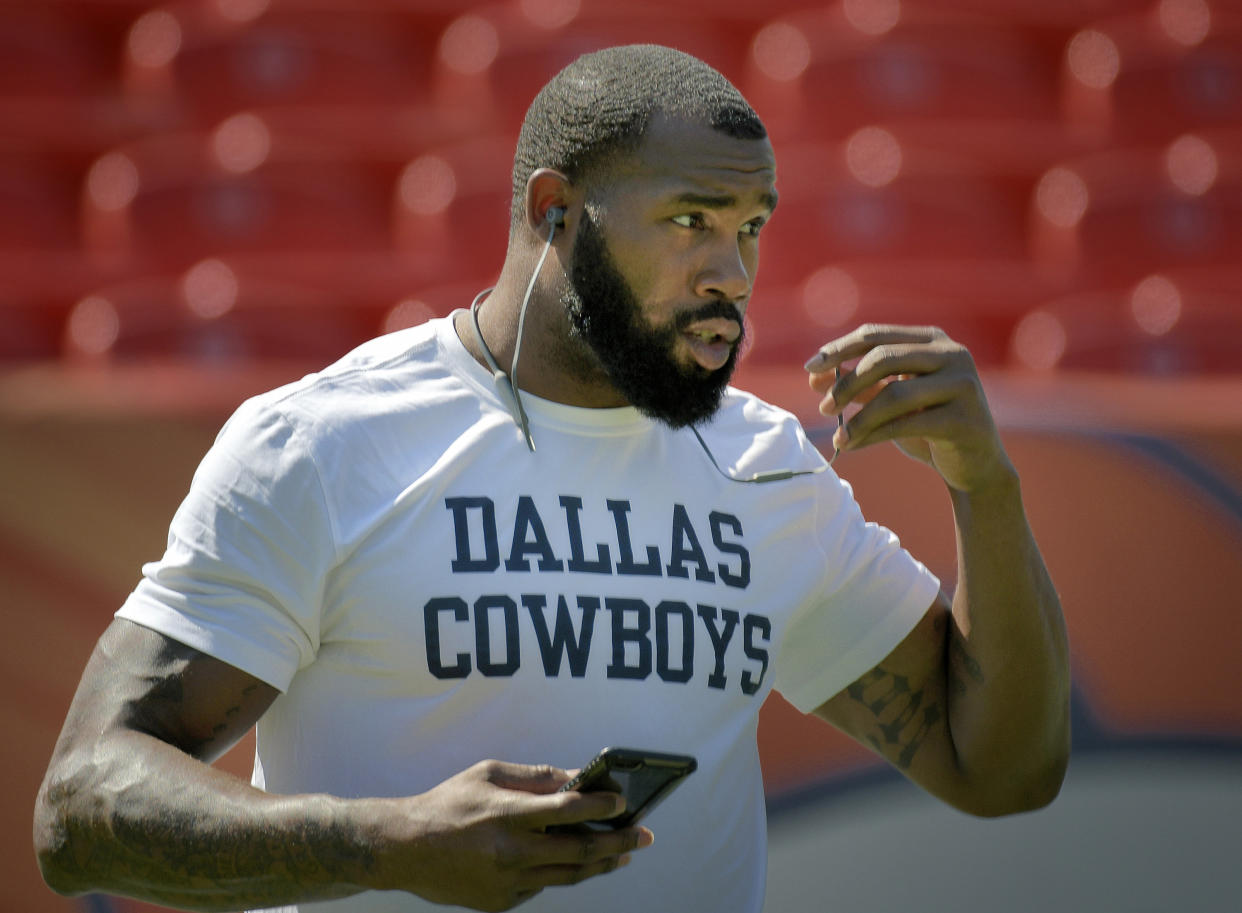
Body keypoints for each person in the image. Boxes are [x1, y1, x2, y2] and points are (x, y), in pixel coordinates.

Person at [34, 45, 1070, 913]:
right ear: (557, 210)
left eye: (751, 227)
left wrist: (986, 484)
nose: (732, 273)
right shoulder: (327, 442)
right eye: (690, 221)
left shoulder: (764, 469)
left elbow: (1002, 770)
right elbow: (77, 808)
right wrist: (384, 841)